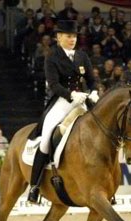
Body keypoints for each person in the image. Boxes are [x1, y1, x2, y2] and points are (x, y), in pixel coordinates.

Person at [27, 20, 99, 204]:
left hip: (83, 99)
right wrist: (71, 95)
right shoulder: (52, 56)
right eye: (68, 36)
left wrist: (94, 92)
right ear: (59, 37)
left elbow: (91, 80)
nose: (72, 39)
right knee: (46, 138)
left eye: (74, 36)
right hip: (62, 101)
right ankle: (34, 187)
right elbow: (53, 85)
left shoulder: (82, 55)